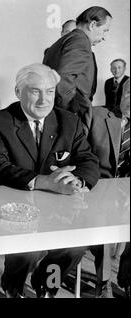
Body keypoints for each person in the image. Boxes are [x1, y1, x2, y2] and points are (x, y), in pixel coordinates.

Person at [0, 63, 100, 298]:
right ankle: (13, 287)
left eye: (50, 91)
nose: (44, 100)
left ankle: (45, 285)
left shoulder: (69, 121)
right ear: (17, 92)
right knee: (28, 252)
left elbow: (88, 160)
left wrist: (77, 180)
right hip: (13, 209)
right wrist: (45, 182)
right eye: (35, 91)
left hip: (57, 209)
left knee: (73, 246)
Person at [89, 78, 130, 297]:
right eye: (129, 94)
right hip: (98, 188)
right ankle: (102, 282)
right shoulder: (97, 116)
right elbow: (80, 154)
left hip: (127, 191)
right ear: (120, 95)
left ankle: (127, 279)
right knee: (103, 224)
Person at [43, 6, 112, 133]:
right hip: (69, 116)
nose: (104, 37)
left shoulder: (63, 41)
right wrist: (71, 113)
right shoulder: (80, 40)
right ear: (92, 24)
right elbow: (63, 78)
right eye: (104, 30)